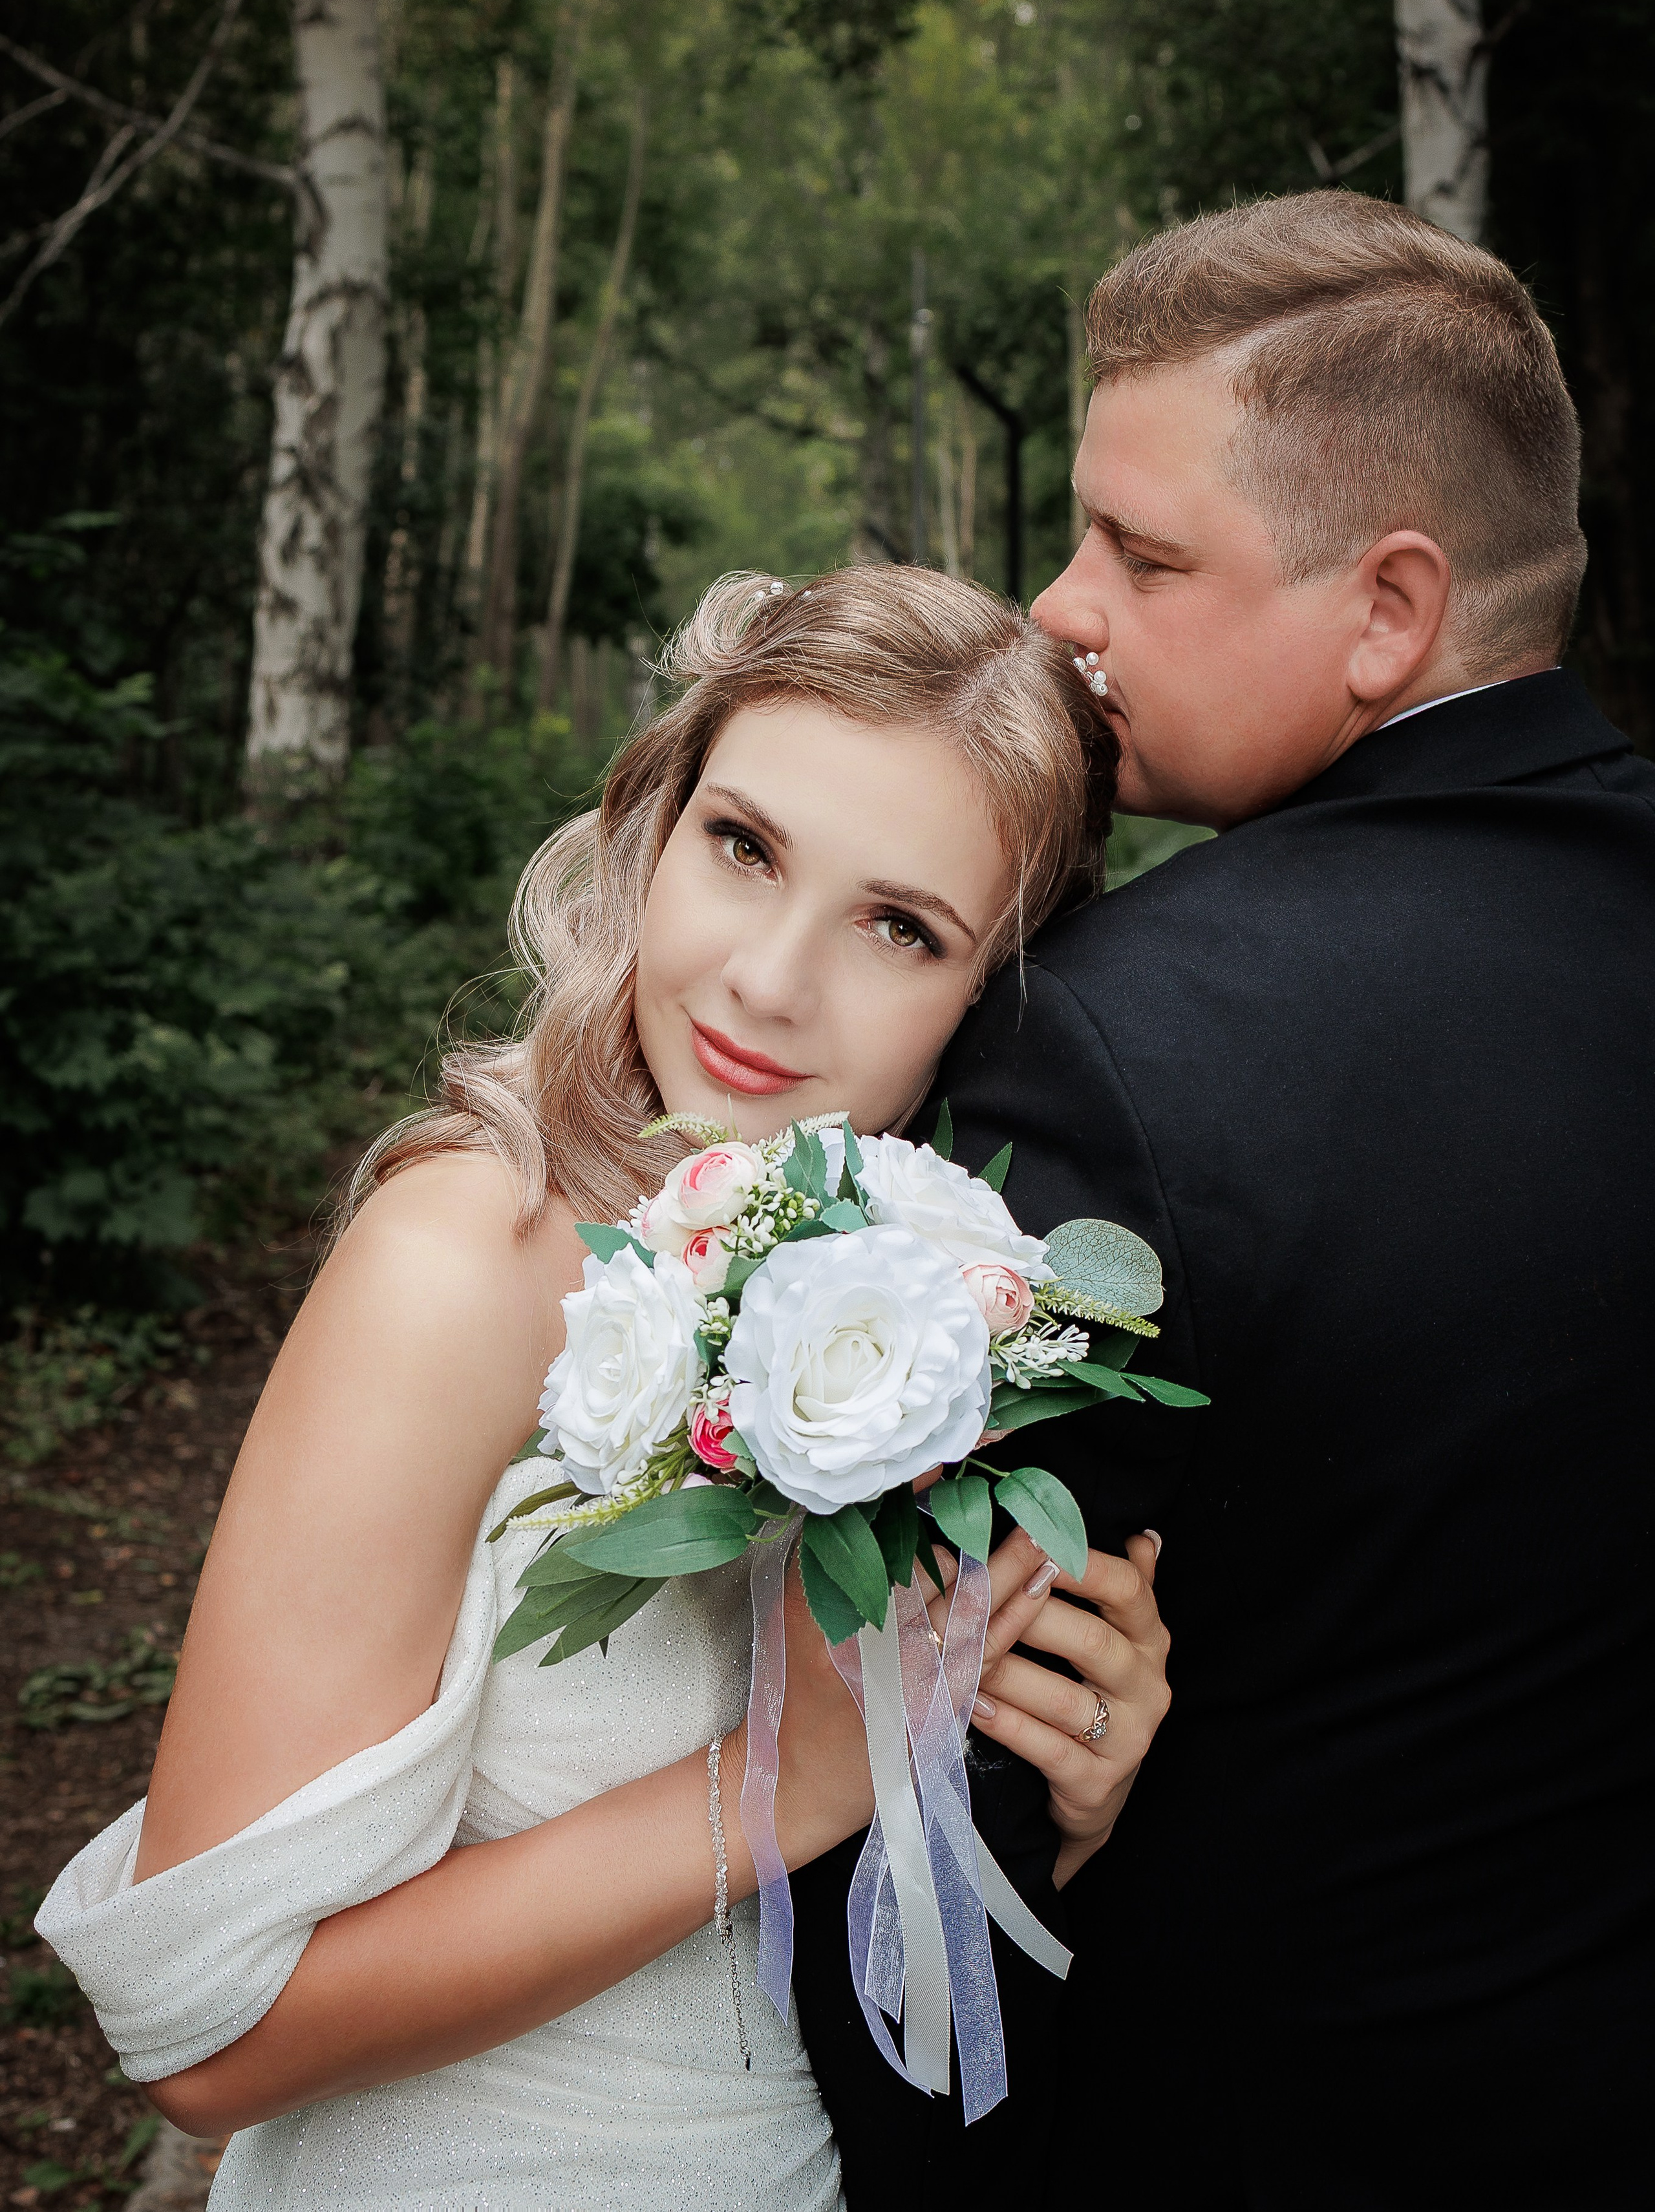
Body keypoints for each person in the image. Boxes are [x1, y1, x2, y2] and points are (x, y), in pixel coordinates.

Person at [39, 568, 1173, 2211]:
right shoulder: (463, 1259)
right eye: (744, 846)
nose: (769, 982)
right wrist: (780, 1783)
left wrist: (1041, 1776)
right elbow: (205, 2035)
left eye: (898, 924)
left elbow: (874, 1918)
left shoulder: (940, 1316)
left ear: (990, 995)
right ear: (653, 823)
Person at [879, 191, 1654, 2208]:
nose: (1063, 608)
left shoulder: (1113, 1043)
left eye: (1141, 555)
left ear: (1389, 611)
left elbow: (947, 1769)